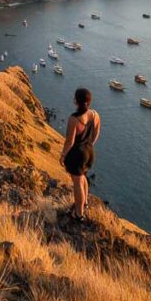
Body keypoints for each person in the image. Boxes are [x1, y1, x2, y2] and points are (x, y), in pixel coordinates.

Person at [60, 87, 100, 221]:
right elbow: (96, 133)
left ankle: (79, 214)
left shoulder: (74, 119)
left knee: (77, 182)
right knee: (83, 177)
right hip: (89, 152)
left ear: (76, 101)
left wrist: (63, 155)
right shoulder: (95, 114)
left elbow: (70, 142)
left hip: (77, 155)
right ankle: (85, 203)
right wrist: (89, 145)